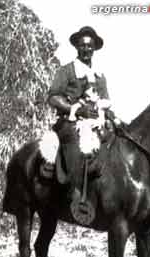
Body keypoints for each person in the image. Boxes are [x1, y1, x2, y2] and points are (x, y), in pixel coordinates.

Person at [47, 26, 120, 186]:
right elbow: (53, 97)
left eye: (89, 46)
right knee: (75, 147)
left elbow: (105, 101)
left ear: (94, 49)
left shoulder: (99, 76)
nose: (86, 49)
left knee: (117, 144)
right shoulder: (66, 71)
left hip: (97, 122)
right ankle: (75, 195)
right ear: (76, 47)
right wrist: (79, 110)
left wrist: (112, 117)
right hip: (71, 122)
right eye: (82, 45)